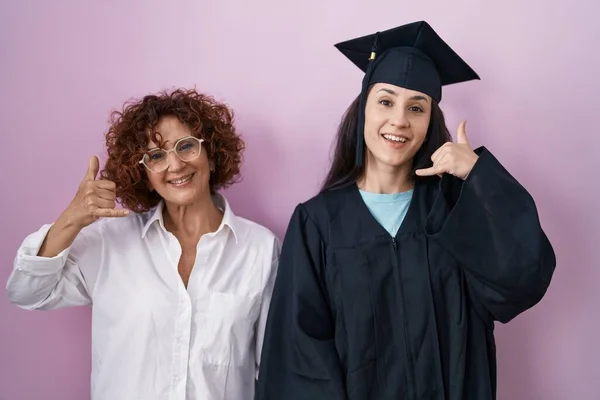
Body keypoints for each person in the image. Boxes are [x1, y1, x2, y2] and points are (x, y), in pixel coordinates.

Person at [255, 21, 556, 400]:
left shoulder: (453, 209)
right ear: (363, 109)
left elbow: (523, 277)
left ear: (430, 121)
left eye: (417, 107)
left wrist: (478, 175)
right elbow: (299, 358)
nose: (399, 119)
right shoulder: (317, 224)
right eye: (386, 101)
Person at [6, 88, 280, 400]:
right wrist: (71, 219)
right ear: (144, 172)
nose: (175, 166)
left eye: (186, 146)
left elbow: (273, 368)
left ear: (212, 156)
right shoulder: (109, 242)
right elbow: (26, 292)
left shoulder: (260, 249)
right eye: (157, 155)